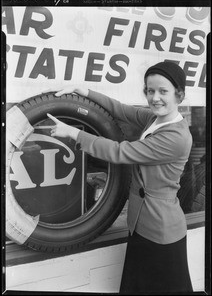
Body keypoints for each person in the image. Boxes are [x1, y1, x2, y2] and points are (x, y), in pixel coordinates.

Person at [46, 61, 193, 294]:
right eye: (150, 90)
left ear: (179, 95)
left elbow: (120, 152)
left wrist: (74, 133)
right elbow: (121, 109)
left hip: (161, 230)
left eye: (163, 91)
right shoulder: (155, 119)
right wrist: (83, 92)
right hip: (142, 224)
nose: (155, 97)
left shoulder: (176, 137)